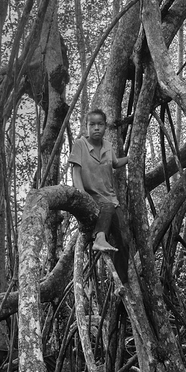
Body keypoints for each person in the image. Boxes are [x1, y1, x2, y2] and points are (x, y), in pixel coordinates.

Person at [69, 109, 130, 280]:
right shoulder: (80, 144)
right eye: (92, 124)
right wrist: (82, 197)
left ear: (105, 127)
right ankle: (99, 238)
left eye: (100, 124)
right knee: (106, 206)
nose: (96, 128)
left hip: (110, 199)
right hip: (91, 196)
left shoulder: (108, 146)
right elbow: (76, 171)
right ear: (86, 127)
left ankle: (121, 281)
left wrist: (131, 157)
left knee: (124, 240)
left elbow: (116, 163)